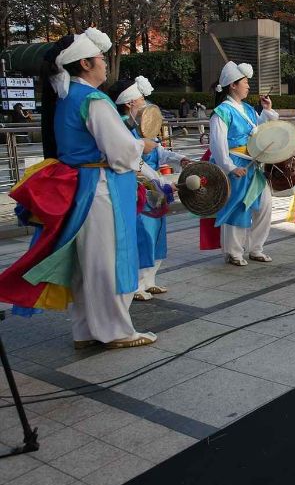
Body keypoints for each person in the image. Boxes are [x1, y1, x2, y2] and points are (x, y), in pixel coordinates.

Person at [0, 29, 157, 349]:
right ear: (85, 64)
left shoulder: (66, 97)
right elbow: (121, 151)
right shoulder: (93, 99)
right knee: (106, 261)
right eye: (100, 59)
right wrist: (145, 144)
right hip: (102, 189)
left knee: (89, 263)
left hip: (83, 188)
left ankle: (86, 330)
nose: (104, 64)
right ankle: (114, 330)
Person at [110, 76, 192, 301]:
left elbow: (158, 151)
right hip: (139, 188)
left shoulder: (143, 126)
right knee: (142, 235)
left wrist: (180, 159)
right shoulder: (123, 129)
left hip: (154, 187)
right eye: (141, 99)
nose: (144, 103)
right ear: (128, 103)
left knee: (156, 234)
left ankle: (148, 280)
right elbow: (135, 161)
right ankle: (135, 285)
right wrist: (160, 181)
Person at [208, 61, 278, 266]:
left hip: (252, 164)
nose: (248, 86)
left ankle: (256, 248)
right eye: (245, 82)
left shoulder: (248, 108)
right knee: (238, 208)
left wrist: (267, 111)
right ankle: (233, 252)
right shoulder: (221, 112)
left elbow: (259, 130)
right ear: (233, 85)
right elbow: (218, 144)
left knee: (264, 205)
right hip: (235, 164)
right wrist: (229, 167)